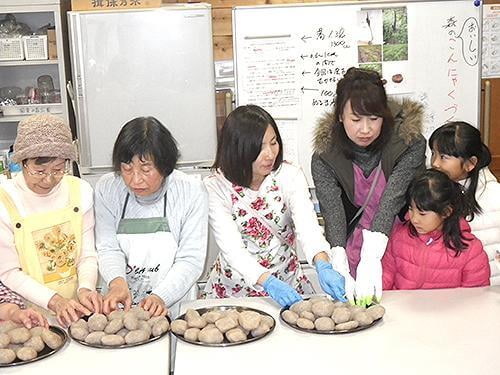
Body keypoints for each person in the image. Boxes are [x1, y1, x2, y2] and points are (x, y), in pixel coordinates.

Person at [202, 105, 347, 308]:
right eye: (259, 148)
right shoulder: (217, 186)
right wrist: (268, 282)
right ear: (238, 149)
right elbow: (232, 249)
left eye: (273, 142)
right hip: (234, 289)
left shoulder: (289, 175)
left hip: (287, 281)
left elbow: (308, 228)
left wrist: (322, 263)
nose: (270, 154)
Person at [311, 67, 426, 306]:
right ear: (340, 116)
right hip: (355, 243)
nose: (365, 129)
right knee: (357, 310)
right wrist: (338, 257)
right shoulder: (325, 155)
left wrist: (372, 256)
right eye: (355, 119)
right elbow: (332, 212)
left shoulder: (407, 142)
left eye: (374, 119)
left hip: (403, 241)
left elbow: (391, 200)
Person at [95, 116, 208, 317]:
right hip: (121, 303)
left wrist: (160, 296)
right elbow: (108, 247)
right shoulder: (108, 188)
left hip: (172, 302)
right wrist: (117, 282)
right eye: (127, 169)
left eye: (146, 169)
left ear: (165, 166)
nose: (135, 179)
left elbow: (190, 259)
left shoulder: (190, 191)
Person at [0, 114, 101, 326]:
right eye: (39, 171)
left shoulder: (79, 191)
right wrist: (54, 301)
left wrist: (86, 288)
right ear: (22, 162)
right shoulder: (5, 200)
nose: (48, 180)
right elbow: (8, 272)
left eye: (57, 170)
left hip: (77, 309)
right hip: (28, 315)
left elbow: (87, 255)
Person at [382, 169, 490, 289]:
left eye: (422, 213)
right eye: (411, 209)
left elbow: (476, 298)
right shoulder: (399, 236)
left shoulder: (470, 250)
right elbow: (386, 275)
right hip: (402, 306)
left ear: (446, 212)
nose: (414, 219)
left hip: (450, 308)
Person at [429, 121, 500, 285]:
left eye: (443, 157)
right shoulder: (436, 192)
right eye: (433, 153)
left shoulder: (495, 195)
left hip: (491, 291)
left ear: (470, 163)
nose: (435, 163)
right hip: (452, 291)